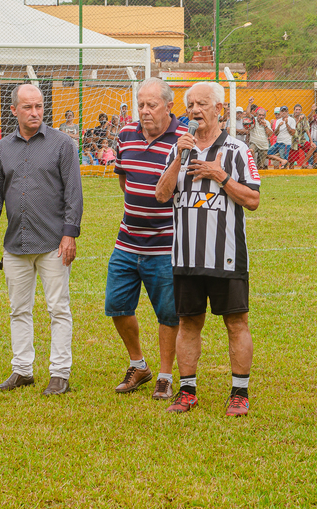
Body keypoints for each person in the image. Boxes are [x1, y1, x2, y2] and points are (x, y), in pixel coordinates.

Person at [154, 81, 261, 417]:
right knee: (188, 323)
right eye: (190, 106)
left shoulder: (237, 150)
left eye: (202, 104)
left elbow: (253, 200)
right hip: (185, 255)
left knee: (236, 322)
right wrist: (178, 160)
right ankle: (187, 392)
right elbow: (161, 194)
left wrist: (220, 176)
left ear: (219, 109)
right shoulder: (178, 148)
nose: (195, 111)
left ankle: (239, 394)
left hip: (226, 254)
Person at [0, 84, 83, 396]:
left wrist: (69, 234)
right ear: (14, 111)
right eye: (27, 107)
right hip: (15, 245)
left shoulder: (63, 144)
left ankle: (59, 373)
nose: (34, 112)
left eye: (38, 106)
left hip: (53, 243)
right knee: (18, 309)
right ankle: (22, 370)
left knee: (58, 309)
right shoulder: (1, 150)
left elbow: (73, 196)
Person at [107, 78, 187, 399]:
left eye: (151, 105)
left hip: (166, 246)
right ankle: (138, 365)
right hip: (127, 242)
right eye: (141, 104)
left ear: (169, 106)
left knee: (167, 314)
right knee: (116, 306)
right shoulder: (126, 135)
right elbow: (124, 180)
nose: (144, 111)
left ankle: (165, 377)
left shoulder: (183, 139)